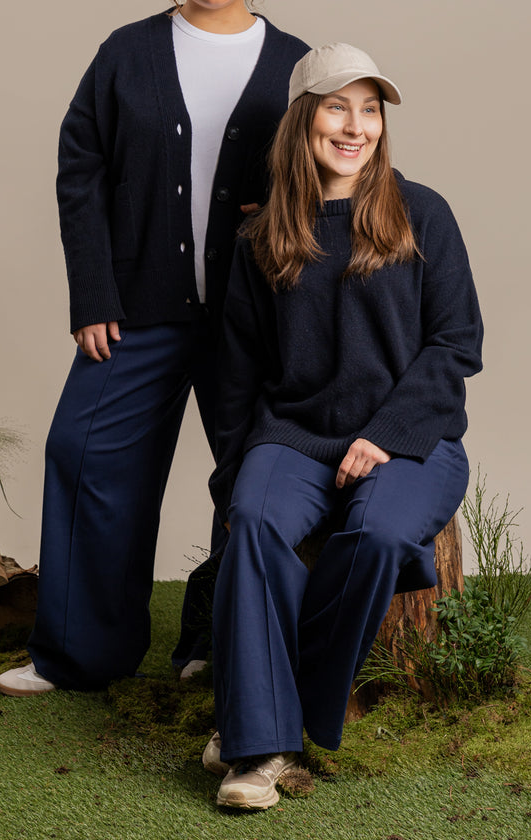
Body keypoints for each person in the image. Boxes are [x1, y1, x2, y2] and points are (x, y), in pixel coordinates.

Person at [0, 0, 308, 696]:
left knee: (251, 473)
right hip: (138, 304)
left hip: (253, 314)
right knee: (84, 451)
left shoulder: (294, 65)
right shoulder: (126, 54)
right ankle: (80, 655)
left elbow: (332, 172)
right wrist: (94, 295)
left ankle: (213, 641)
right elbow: (81, 171)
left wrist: (278, 206)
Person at [203, 43, 484, 809]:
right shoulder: (262, 239)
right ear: (303, 121)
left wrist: (385, 433)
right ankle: (261, 755)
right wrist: (230, 482)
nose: (356, 126)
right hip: (295, 433)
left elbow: (456, 343)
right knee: (255, 522)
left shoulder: (423, 213)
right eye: (337, 108)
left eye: (370, 110)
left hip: (414, 438)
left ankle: (262, 710)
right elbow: (235, 378)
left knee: (382, 536)